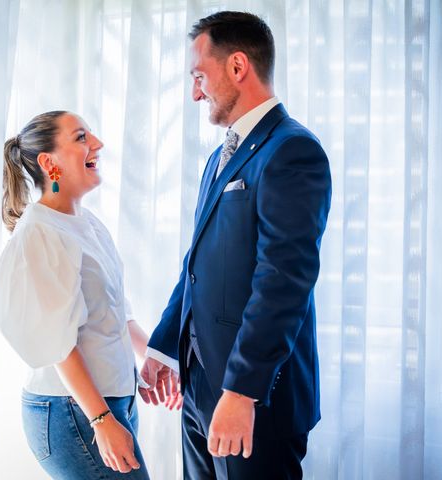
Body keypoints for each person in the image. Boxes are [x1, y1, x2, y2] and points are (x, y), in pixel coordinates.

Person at [139, 11, 332, 479]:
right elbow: (198, 264)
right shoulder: (218, 158)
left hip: (251, 398)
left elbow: (283, 282)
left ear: (238, 66)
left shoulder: (291, 150)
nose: (195, 92)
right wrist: (165, 348)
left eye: (199, 76)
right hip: (200, 388)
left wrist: (242, 391)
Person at [0, 111, 151, 479]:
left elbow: (117, 312)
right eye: (81, 137)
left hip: (108, 404)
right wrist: (101, 419)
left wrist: (154, 358)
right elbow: (57, 342)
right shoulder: (40, 234)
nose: (98, 144)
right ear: (49, 163)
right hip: (74, 412)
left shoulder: (88, 224)